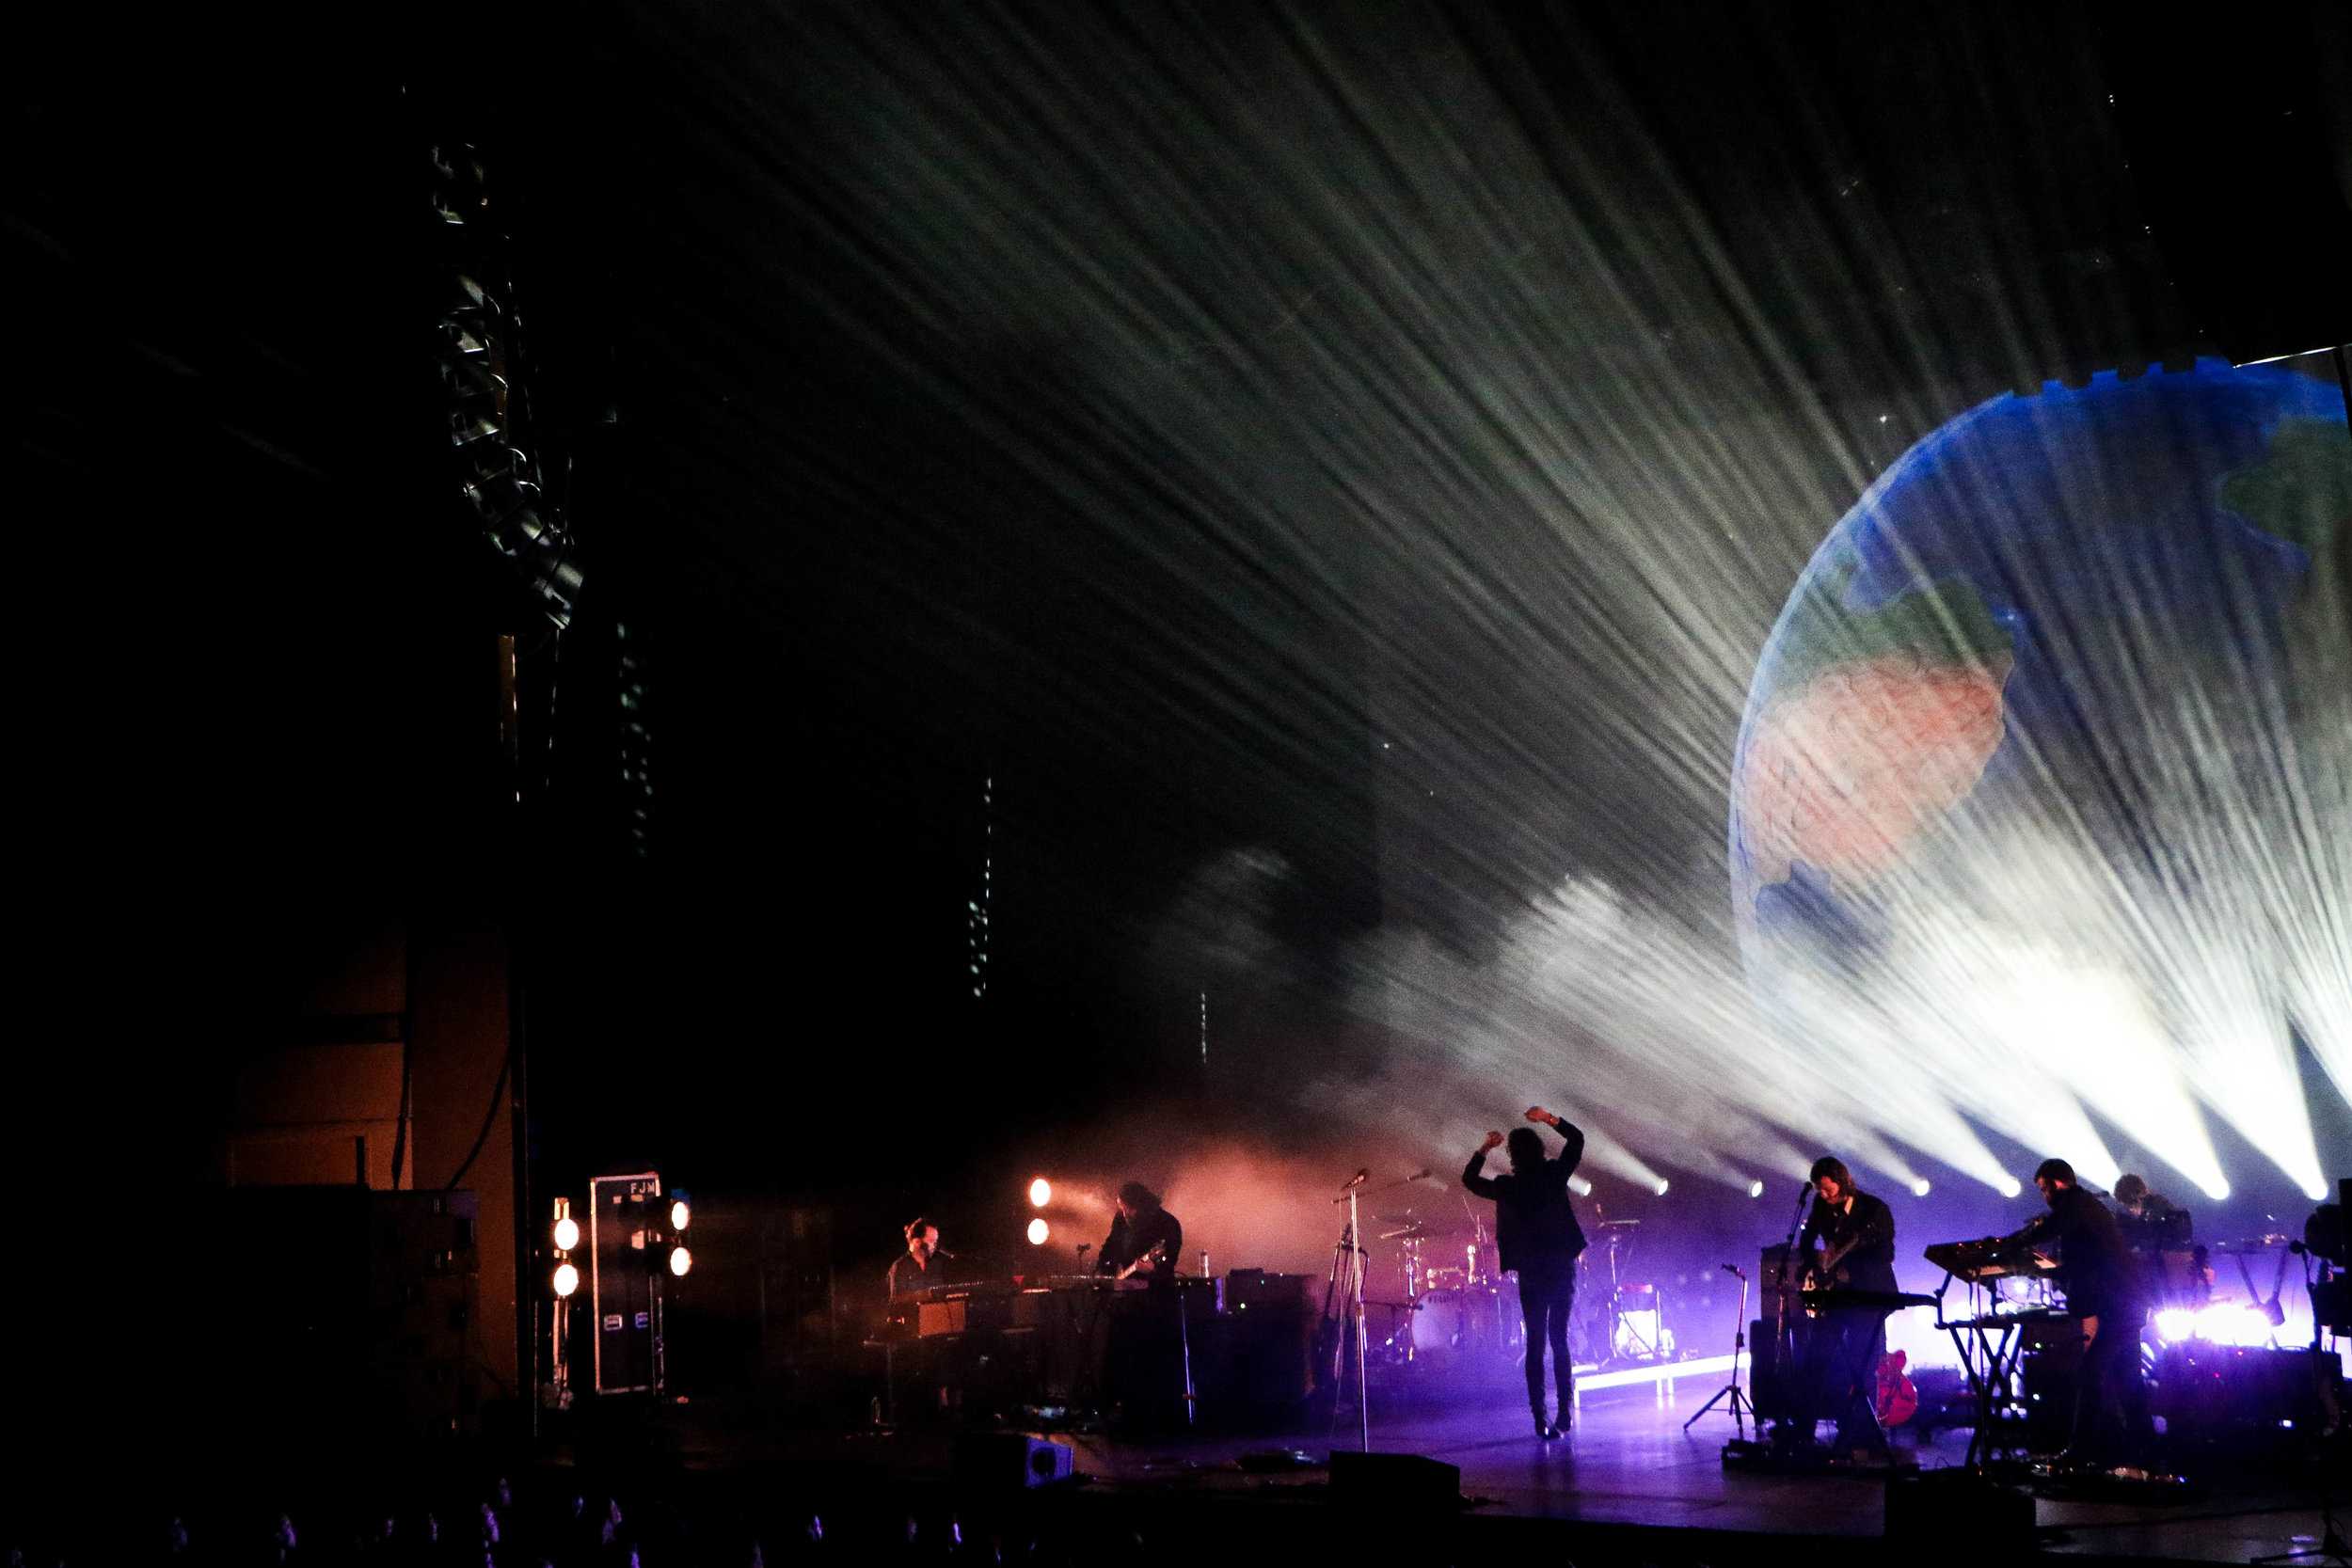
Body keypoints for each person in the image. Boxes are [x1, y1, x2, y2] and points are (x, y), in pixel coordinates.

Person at [2007, 1158, 2151, 1469]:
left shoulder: (2076, 1205)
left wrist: (2013, 1244)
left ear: (2058, 1183)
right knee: (2128, 1380)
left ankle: (2082, 1452)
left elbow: (2053, 1229)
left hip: (2121, 1305)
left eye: (2045, 1188)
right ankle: (2147, 1455)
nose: (2044, 1196)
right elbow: (2083, 1263)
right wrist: (2045, 1270)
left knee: (2092, 1373)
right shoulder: (2085, 1208)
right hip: (2126, 1303)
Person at [1462, 1105, 1587, 1438]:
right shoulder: (1553, 1175)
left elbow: (1469, 1180)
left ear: (1513, 1156)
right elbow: (1577, 1139)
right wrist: (1549, 1118)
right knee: (1560, 1340)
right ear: (1539, 1150)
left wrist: (1485, 1148)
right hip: (1560, 1267)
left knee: (1535, 1342)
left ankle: (1539, 1417)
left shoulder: (1506, 1186)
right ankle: (1565, 1413)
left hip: (1532, 1271)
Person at [1792, 1156, 1899, 1459]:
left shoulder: (1875, 1210)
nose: (1823, 1195)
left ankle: (1861, 1436)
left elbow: (1886, 1254)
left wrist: (1850, 1263)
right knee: (1815, 1359)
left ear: (1841, 1181)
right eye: (1818, 1190)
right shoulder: (1820, 1207)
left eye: (1827, 1189)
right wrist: (1817, 1266)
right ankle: (1803, 1432)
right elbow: (1807, 1242)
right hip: (1834, 1296)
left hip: (1868, 1295)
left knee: (1864, 1364)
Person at [1097, 1183, 1182, 1278]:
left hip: (1156, 1289)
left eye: (1128, 1209)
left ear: (1141, 1206)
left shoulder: (1169, 1223)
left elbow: (1169, 1263)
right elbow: (1109, 1247)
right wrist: (1101, 1272)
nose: (1124, 1214)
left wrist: (1153, 1270)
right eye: (1122, 1209)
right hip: (1126, 1287)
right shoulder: (1121, 1218)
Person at [888, 1217, 949, 1297]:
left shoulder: (937, 1264)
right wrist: (926, 1294)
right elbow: (898, 1299)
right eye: (931, 1241)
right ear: (917, 1241)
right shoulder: (900, 1266)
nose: (935, 1246)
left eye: (935, 1241)